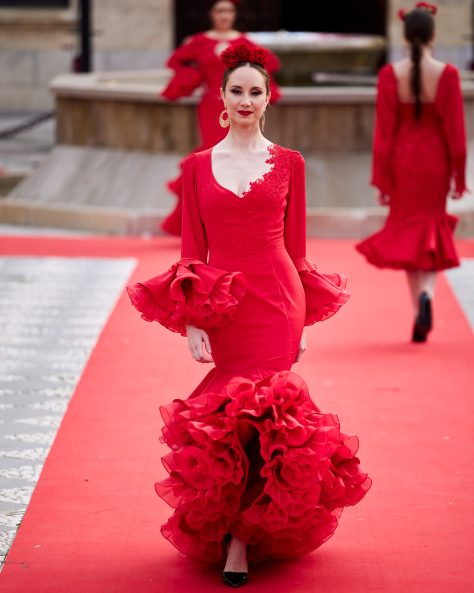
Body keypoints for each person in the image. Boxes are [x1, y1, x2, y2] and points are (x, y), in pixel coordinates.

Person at [128, 44, 371, 588]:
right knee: (226, 415)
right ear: (221, 96)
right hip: (225, 305)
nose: (245, 100)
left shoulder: (290, 163)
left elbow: (298, 249)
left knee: (271, 415)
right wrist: (192, 319)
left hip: (280, 301)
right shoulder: (196, 166)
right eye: (236, 90)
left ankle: (241, 538)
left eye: (254, 92)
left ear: (267, 100)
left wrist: (303, 320)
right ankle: (235, 522)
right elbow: (191, 252)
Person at [356, 2, 467, 343]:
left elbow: (383, 135)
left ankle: (416, 303)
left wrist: (382, 179)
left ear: (404, 36)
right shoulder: (447, 74)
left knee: (406, 233)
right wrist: (459, 177)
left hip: (403, 163)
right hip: (435, 163)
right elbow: (457, 136)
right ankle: (428, 296)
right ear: (433, 35)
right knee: (432, 231)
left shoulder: (390, 75)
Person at [159, 0, 281, 236]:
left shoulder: (243, 42)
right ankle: (200, 223)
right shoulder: (199, 41)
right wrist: (191, 77)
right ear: (212, 14)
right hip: (211, 107)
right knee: (211, 157)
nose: (224, 15)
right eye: (220, 11)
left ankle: (235, 220)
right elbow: (175, 61)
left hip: (238, 107)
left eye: (229, 11)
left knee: (239, 157)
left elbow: (271, 63)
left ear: (234, 15)